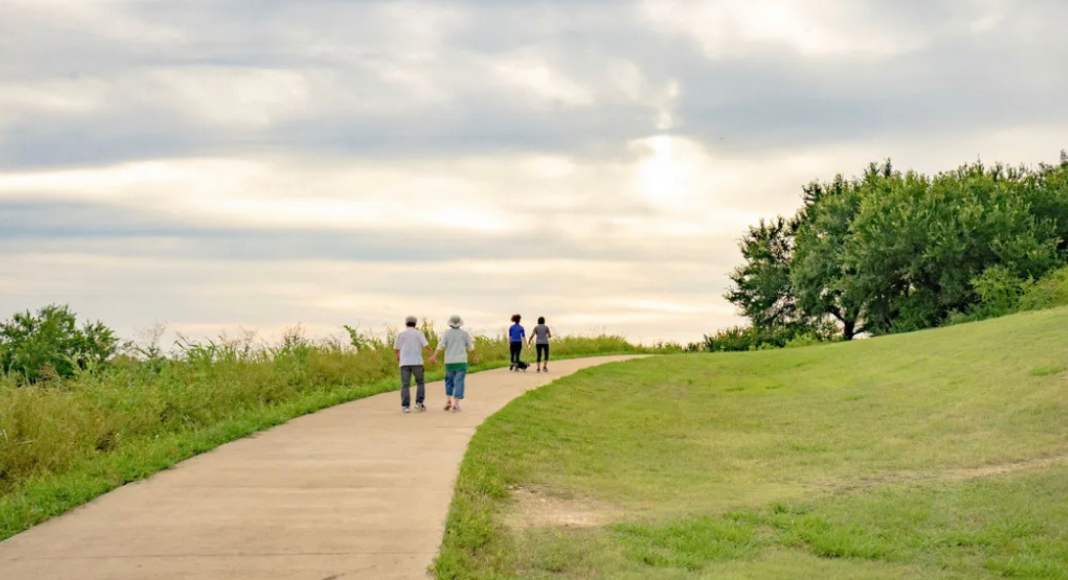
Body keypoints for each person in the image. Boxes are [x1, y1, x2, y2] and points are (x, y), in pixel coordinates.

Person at [430, 314, 479, 413]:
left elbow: (441, 346)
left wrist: (434, 356)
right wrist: (475, 356)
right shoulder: (464, 334)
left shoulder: (446, 333)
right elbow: (470, 347)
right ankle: (456, 405)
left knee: (449, 381)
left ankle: (448, 400)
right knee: (459, 382)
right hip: (461, 362)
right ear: (460, 323)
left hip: (449, 362)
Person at [394, 315, 431, 413]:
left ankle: (406, 406)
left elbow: (396, 348)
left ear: (406, 323)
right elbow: (426, 345)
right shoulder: (419, 333)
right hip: (417, 362)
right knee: (420, 382)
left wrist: (397, 356)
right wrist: (432, 356)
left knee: (405, 384)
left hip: (404, 362)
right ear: (415, 324)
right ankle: (419, 402)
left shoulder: (401, 334)